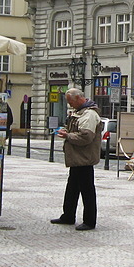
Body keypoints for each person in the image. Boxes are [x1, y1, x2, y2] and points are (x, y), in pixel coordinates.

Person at [51, 88, 102, 231]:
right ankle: (68, 215)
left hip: (84, 158)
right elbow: (78, 132)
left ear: (79, 98)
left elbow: (86, 137)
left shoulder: (89, 114)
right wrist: (68, 132)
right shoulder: (80, 112)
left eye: (71, 101)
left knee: (87, 190)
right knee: (72, 188)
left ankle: (89, 221)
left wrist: (68, 136)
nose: (70, 105)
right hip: (77, 158)